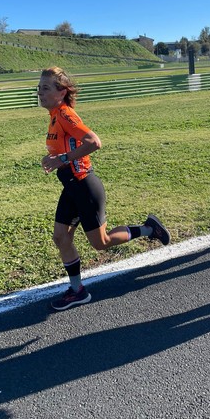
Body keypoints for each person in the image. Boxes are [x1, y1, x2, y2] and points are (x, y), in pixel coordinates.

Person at [38, 67, 171, 310]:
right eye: (39, 87)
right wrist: (53, 159)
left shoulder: (66, 114)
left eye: (45, 88)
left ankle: (149, 229)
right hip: (71, 187)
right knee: (61, 237)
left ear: (62, 92)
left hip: (85, 186)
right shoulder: (54, 115)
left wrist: (62, 159)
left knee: (101, 242)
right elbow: (64, 150)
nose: (40, 92)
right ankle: (78, 291)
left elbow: (94, 142)